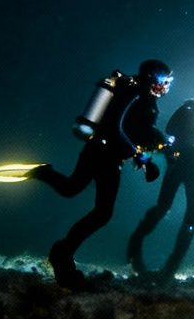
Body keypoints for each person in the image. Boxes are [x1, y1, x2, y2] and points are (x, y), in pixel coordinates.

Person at [29, 59, 172, 288]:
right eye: (163, 80)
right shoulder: (135, 94)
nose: (165, 86)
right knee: (98, 210)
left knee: (74, 191)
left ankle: (62, 248)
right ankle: (62, 251)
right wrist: (139, 156)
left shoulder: (143, 99)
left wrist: (157, 144)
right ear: (151, 78)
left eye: (168, 81)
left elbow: (138, 130)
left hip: (104, 154)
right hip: (102, 153)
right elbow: (119, 127)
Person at [125, 75, 194, 279]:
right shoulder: (187, 110)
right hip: (180, 167)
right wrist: (169, 155)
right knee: (163, 208)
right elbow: (168, 135)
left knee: (191, 218)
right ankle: (135, 248)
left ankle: (170, 268)